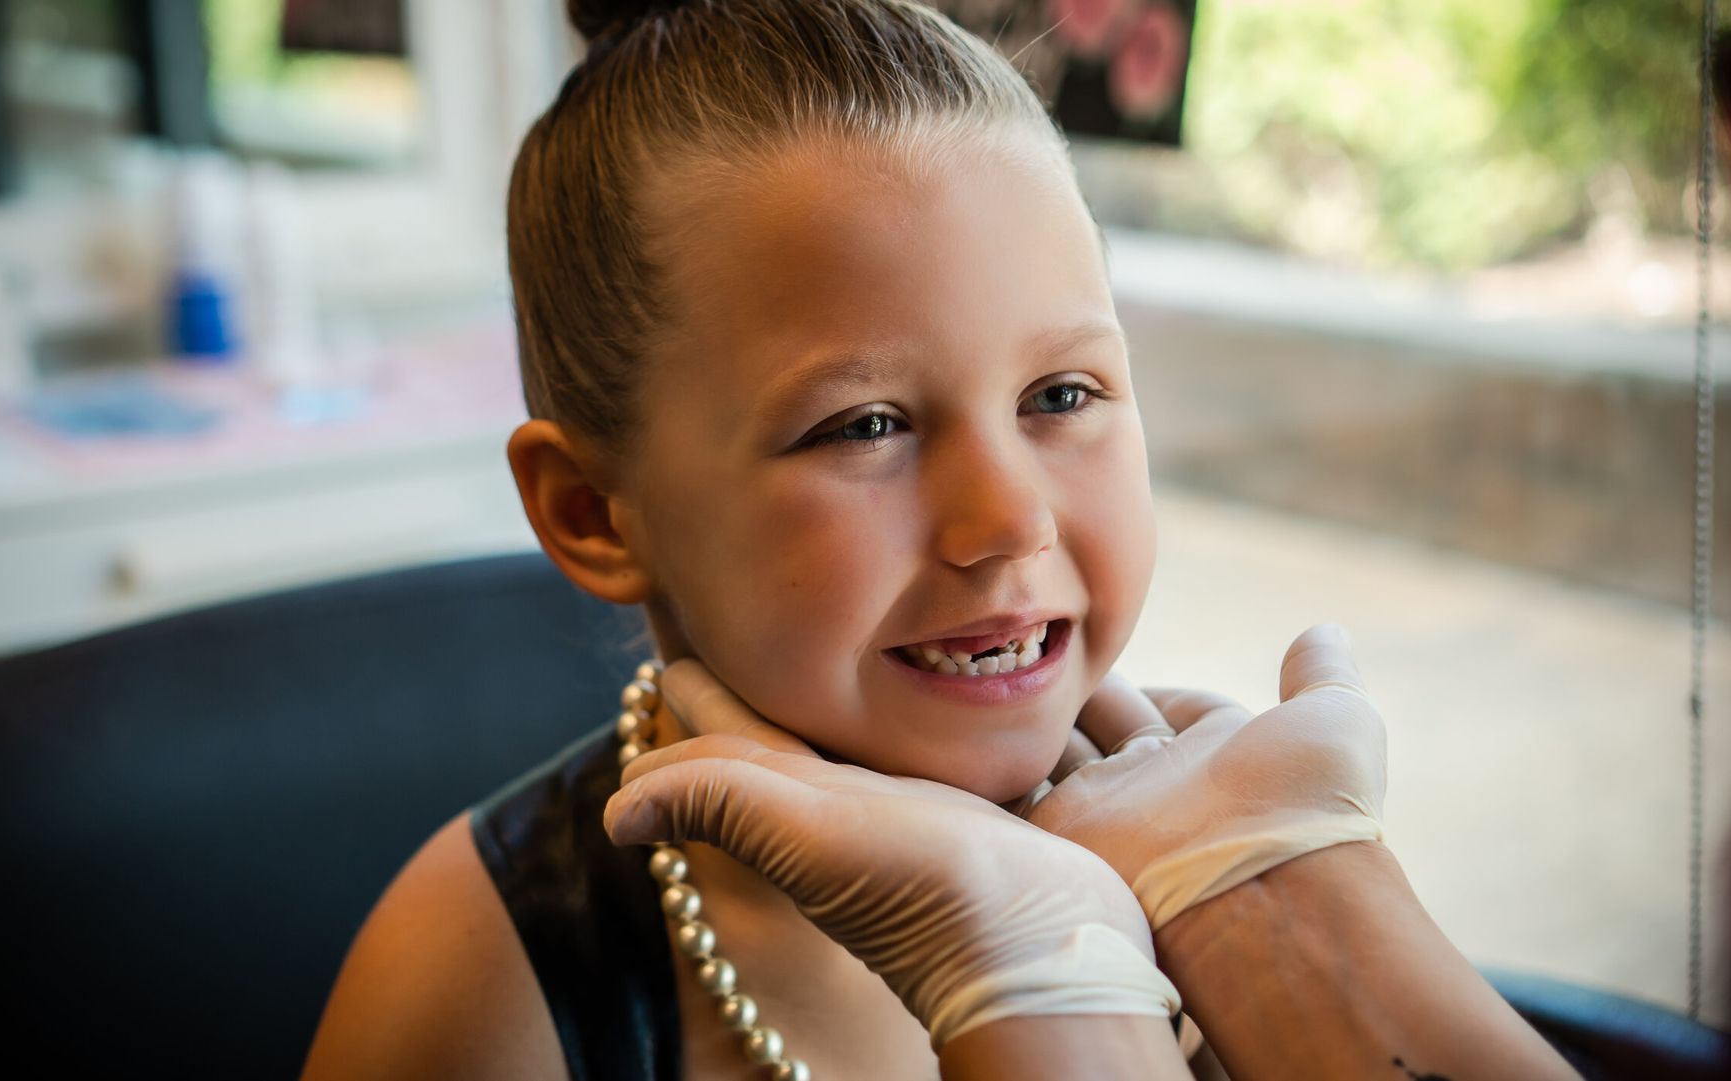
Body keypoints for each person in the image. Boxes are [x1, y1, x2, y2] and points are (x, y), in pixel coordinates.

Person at [300, 2, 1574, 1077]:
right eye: (864, 424)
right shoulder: (482, 977)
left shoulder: (1225, 871)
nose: (1010, 518)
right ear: (594, 511)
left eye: (1062, 396)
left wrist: (1315, 930)